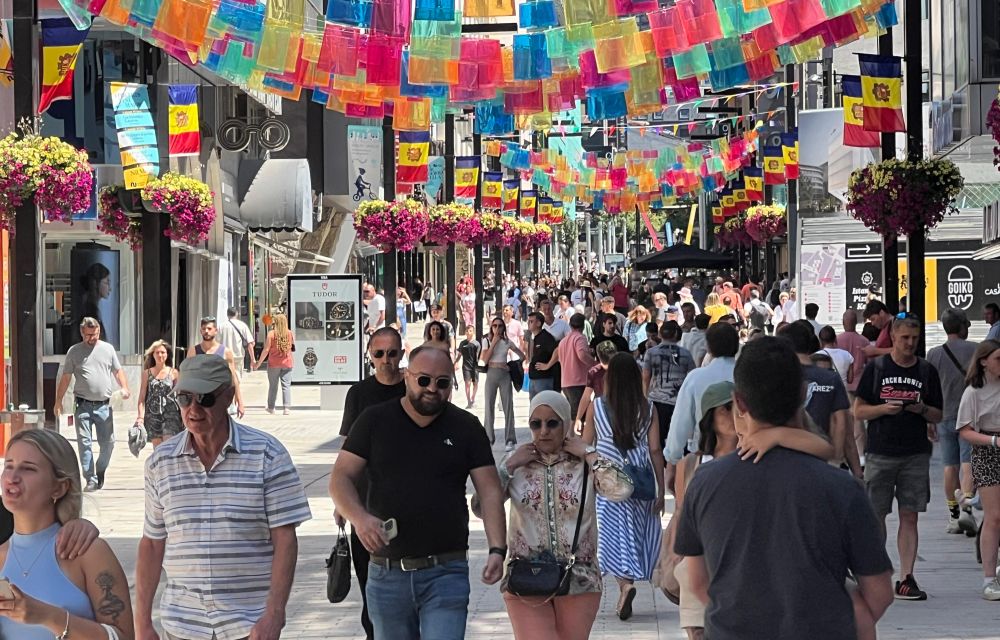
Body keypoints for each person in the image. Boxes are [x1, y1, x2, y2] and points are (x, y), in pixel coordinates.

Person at [674, 337, 894, 640]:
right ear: (803, 394)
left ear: (739, 402)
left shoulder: (705, 482)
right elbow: (880, 593)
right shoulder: (842, 488)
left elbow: (698, 583)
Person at [330, 346, 506, 640]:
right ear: (407, 377)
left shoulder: (466, 427)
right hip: (387, 573)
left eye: (442, 382)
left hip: (446, 571)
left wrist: (497, 549)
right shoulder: (374, 421)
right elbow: (340, 478)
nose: (432, 389)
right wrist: (359, 518)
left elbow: (489, 490)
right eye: (423, 380)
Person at [136, 355, 312, 640]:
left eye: (205, 399)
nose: (193, 409)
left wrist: (274, 615)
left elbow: (285, 540)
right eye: (184, 398)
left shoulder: (267, 454)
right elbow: (153, 544)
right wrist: (142, 623)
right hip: (183, 624)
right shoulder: (160, 463)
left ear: (228, 396)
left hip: (248, 625)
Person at [669, 380, 835, 640]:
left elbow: (825, 449)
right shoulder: (693, 463)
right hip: (705, 556)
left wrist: (776, 436)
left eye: (734, 408)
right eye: (724, 409)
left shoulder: (756, 449)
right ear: (710, 416)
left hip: (746, 559)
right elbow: (682, 513)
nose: (732, 415)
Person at [495, 391, 631, 639]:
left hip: (579, 578)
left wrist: (589, 453)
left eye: (552, 423)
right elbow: (480, 506)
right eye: (536, 424)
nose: (544, 431)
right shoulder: (517, 464)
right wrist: (509, 466)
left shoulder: (583, 464)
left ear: (566, 424)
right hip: (526, 575)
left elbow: (622, 490)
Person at [0, 429, 134, 640]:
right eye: (8, 466)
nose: (12, 477)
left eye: (28, 468)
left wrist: (49, 616)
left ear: (60, 487)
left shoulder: (87, 552)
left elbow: (124, 636)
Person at [854, 314, 943, 601]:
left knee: (910, 514)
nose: (910, 343)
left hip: (914, 453)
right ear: (893, 337)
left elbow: (938, 414)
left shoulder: (926, 371)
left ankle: (906, 577)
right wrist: (883, 409)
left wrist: (921, 410)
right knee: (876, 515)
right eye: (905, 338)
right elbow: (858, 410)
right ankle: (875, 574)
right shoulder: (877, 368)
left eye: (915, 338)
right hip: (881, 452)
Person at [583, 353, 665, 621]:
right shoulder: (649, 408)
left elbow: (586, 445)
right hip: (640, 479)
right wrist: (661, 489)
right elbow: (655, 449)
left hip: (609, 480)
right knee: (635, 532)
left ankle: (624, 585)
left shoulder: (597, 407)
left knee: (613, 535)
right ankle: (628, 582)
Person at [337, 327, 407, 639]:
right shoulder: (358, 394)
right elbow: (346, 449)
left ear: (401, 354)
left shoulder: (413, 388)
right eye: (379, 354)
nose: (386, 360)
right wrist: (342, 502)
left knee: (405, 586)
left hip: (406, 501)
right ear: (370, 356)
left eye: (392, 353)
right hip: (365, 503)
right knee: (369, 585)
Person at [53, 317, 131, 493]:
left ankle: (100, 469)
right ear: (82, 333)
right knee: (84, 443)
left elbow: (118, 371)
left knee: (108, 444)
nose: (92, 338)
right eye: (89, 335)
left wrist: (125, 387)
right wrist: (58, 401)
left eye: (95, 334)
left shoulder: (108, 349)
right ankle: (90, 478)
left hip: (104, 406)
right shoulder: (74, 352)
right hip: (82, 405)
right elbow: (66, 378)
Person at [664, 324, 739, 491]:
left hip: (704, 456)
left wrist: (672, 462)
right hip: (743, 456)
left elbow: (680, 423)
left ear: (709, 347)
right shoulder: (745, 377)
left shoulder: (696, 378)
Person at [926, 308, 979, 535]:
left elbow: (929, 388)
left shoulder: (933, 354)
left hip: (943, 415)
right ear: (962, 326)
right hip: (970, 416)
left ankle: (954, 515)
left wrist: (929, 420)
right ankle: (967, 508)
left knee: (950, 466)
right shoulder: (976, 350)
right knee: (968, 463)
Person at [956, 340, 1000, 599]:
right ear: (984, 362)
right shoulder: (973, 391)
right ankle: (988, 579)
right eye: (998, 359)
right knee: (994, 516)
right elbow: (965, 430)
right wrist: (993, 441)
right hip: (987, 449)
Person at [779, 321, 853, 473]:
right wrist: (836, 458)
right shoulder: (831, 378)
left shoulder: (782, 377)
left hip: (790, 455)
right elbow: (841, 422)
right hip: (824, 455)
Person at [644, 321, 696, 453]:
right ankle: (679, 462)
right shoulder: (686, 353)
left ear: (660, 334)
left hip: (656, 401)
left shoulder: (651, 353)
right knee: (680, 437)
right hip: (678, 401)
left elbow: (646, 376)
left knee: (658, 437)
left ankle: (661, 462)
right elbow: (692, 376)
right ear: (676, 334)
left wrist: (645, 396)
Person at [186, 316, 245, 418]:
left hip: (219, 398)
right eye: (204, 329)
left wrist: (240, 401)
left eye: (209, 328)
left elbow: (233, 377)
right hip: (199, 398)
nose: (206, 331)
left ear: (216, 331)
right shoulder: (194, 351)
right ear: (200, 331)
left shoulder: (225, 352)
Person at [482, 318, 526, 450]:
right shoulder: (486, 340)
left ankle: (510, 439)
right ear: (491, 327)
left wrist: (511, 365)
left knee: (508, 407)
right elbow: (484, 360)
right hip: (491, 374)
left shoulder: (507, 342)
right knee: (489, 406)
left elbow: (522, 355)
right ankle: (488, 438)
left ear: (503, 328)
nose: (497, 328)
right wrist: (493, 342)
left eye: (500, 326)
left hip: (504, 375)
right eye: (494, 326)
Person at [550, 313, 597, 424]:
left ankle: (571, 434)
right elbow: (582, 355)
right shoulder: (580, 338)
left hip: (566, 382)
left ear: (570, 325)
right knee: (579, 418)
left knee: (574, 415)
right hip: (578, 382)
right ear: (583, 325)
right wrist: (596, 364)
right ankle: (575, 435)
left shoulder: (563, 341)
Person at [839, 309, 872, 462]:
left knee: (844, 418)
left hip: (843, 384)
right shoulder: (864, 341)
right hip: (860, 384)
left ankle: (845, 451)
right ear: (856, 323)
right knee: (859, 418)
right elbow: (869, 363)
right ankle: (860, 452)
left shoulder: (837, 340)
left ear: (843, 322)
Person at [136, 339, 182, 448]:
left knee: (168, 446)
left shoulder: (174, 372)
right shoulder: (146, 373)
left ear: (167, 354)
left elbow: (180, 395)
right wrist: (140, 417)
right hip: (152, 416)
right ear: (153, 354)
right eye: (157, 352)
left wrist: (184, 414)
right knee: (157, 449)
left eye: (163, 352)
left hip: (171, 415)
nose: (160, 355)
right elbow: (142, 397)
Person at [254, 313, 296, 415]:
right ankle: (286, 408)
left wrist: (258, 363)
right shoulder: (290, 333)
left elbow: (266, 350)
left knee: (273, 386)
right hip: (287, 363)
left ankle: (271, 408)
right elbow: (292, 347)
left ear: (275, 322)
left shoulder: (271, 334)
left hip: (274, 364)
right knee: (286, 386)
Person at [575, 341, 618, 434]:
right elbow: (586, 396)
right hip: (602, 412)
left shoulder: (622, 369)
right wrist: (578, 418)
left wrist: (578, 418)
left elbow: (586, 396)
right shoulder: (594, 372)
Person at [527, 312, 560, 398]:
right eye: (528, 321)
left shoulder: (546, 337)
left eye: (531, 321)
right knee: (534, 404)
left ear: (538, 323)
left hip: (544, 378)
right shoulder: (533, 337)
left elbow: (557, 350)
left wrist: (547, 365)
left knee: (544, 403)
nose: (528, 323)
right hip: (533, 378)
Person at [218, 306, 256, 372]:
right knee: (237, 375)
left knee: (226, 375)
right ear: (237, 314)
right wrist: (253, 359)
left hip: (225, 356)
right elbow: (250, 343)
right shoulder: (242, 325)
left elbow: (216, 343)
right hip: (238, 356)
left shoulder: (221, 326)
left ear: (227, 315)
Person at [457, 325, 482, 409]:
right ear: (465, 332)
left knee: (475, 383)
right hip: (466, 366)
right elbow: (459, 354)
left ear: (473, 332)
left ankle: (473, 398)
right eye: (467, 331)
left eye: (470, 331)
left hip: (475, 366)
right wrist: (456, 362)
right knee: (467, 383)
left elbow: (479, 356)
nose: (468, 332)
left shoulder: (476, 344)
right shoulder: (462, 343)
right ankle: (468, 401)